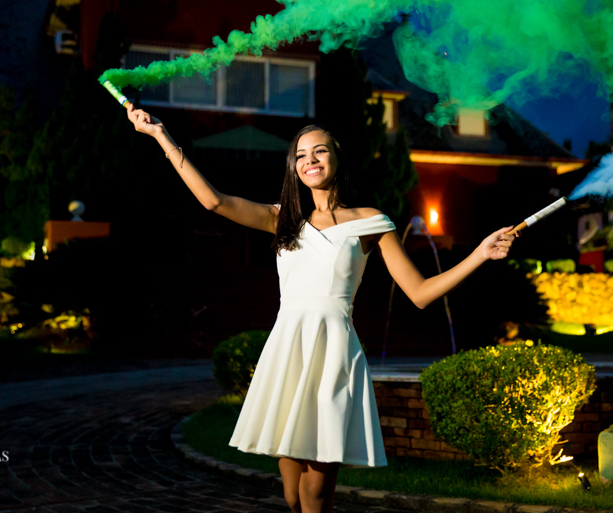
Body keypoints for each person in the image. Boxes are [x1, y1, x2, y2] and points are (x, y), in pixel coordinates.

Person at [126, 103, 517, 513]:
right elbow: (214, 202)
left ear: (337, 157)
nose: (309, 160)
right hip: (287, 354)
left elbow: (419, 292)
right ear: (294, 167)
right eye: (300, 154)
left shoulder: (371, 221)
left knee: (316, 490)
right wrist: (160, 136)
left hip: (334, 356)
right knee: (294, 494)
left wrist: (478, 254)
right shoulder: (284, 219)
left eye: (319, 151)